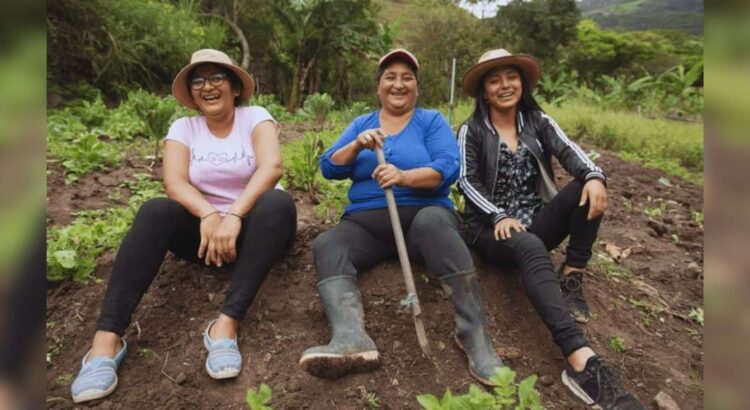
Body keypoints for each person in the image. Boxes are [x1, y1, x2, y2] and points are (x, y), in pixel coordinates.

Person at [70, 49, 297, 403]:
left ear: (235, 87)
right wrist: (209, 214)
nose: (207, 86)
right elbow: (174, 183)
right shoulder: (183, 128)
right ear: (191, 92)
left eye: (217, 77)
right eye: (198, 80)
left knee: (277, 202)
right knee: (155, 210)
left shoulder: (255, 117)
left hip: (258, 234)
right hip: (206, 239)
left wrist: (234, 216)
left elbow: (272, 168)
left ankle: (225, 326)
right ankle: (105, 342)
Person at [298, 49, 504, 385]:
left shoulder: (431, 121)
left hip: (425, 218)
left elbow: (447, 167)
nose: (399, 84)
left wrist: (404, 177)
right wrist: (355, 147)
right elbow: (328, 167)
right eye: (390, 77)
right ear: (378, 86)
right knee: (330, 243)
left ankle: (475, 340)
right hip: (367, 224)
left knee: (434, 224)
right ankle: (351, 338)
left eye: (407, 78)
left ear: (417, 88)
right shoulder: (361, 124)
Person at [458, 48, 644, 409]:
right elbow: (466, 181)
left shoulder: (538, 121)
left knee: (586, 187)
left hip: (534, 224)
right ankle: (579, 360)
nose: (504, 85)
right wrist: (497, 215)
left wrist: (594, 175)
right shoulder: (473, 130)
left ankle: (572, 274)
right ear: (484, 91)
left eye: (511, 77)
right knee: (528, 245)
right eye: (494, 80)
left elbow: (573, 153)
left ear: (522, 83)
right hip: (490, 230)